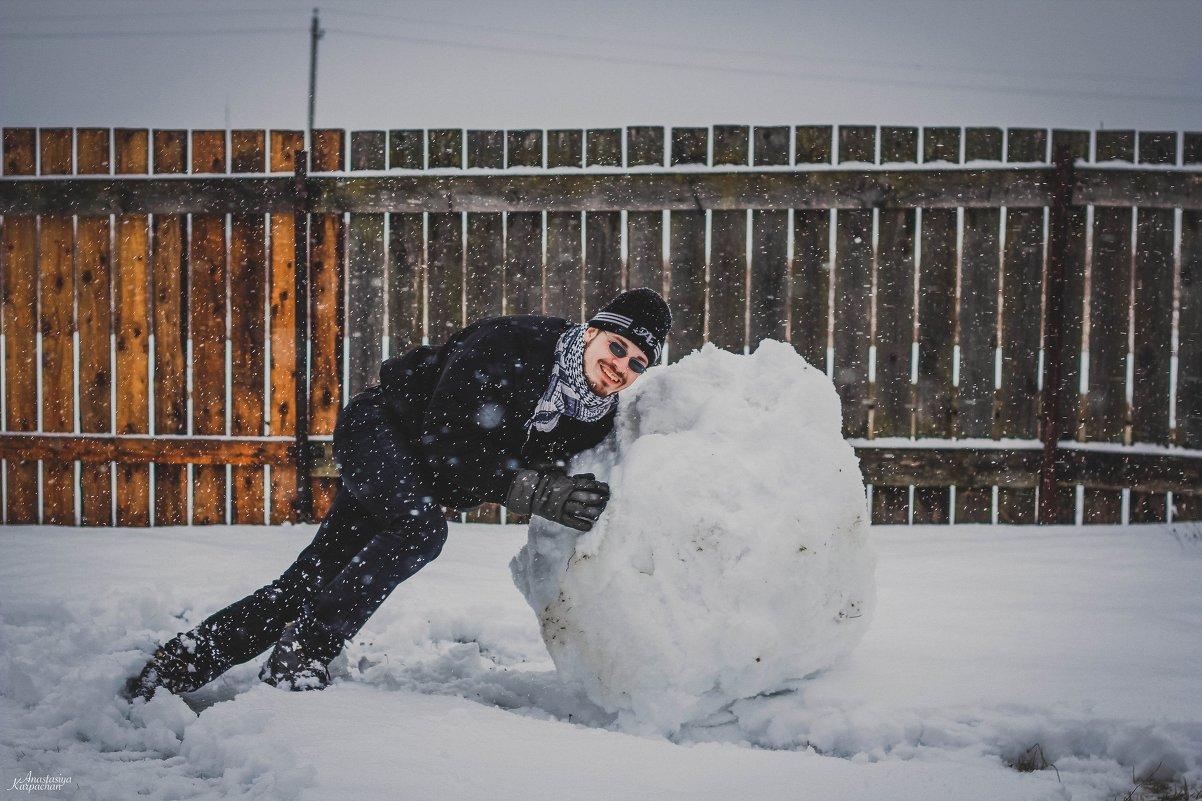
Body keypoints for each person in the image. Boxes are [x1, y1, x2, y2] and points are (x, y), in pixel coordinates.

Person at [125, 288, 672, 698]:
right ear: (594, 330)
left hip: (421, 477)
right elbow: (446, 447)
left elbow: (504, 467)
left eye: (635, 363)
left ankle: (172, 669)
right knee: (421, 531)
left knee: (310, 579)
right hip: (383, 434)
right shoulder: (515, 345)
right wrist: (527, 488)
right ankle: (304, 653)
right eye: (616, 346)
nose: (619, 366)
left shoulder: (592, 417)